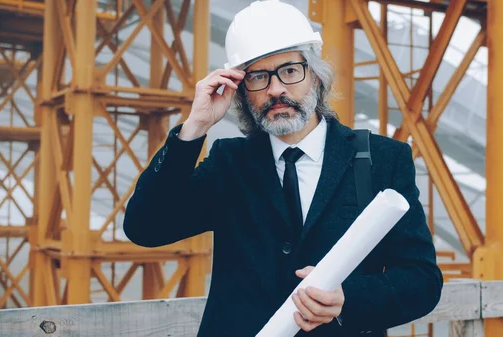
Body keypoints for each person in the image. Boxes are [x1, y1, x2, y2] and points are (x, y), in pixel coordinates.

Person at [123, 1, 443, 336]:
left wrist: (348, 299)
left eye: (290, 71)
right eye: (259, 77)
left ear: (316, 77)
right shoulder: (229, 164)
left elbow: (421, 280)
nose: (276, 89)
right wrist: (194, 128)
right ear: (242, 91)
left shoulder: (381, 159)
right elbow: (146, 227)